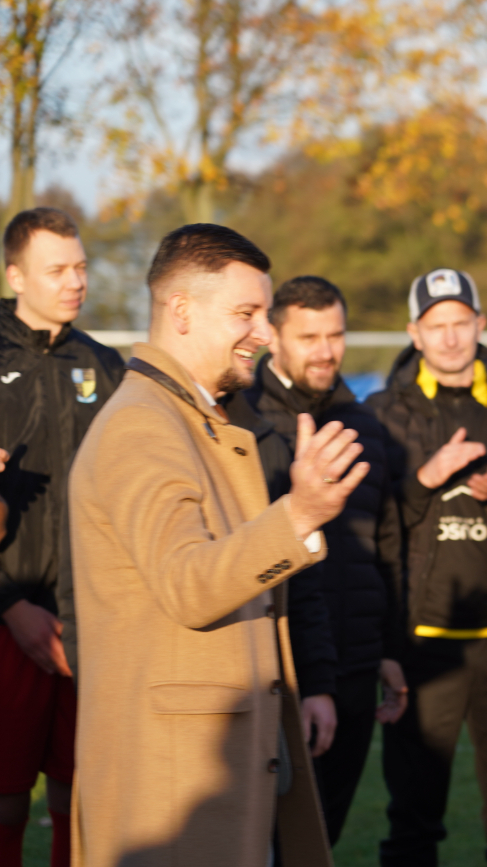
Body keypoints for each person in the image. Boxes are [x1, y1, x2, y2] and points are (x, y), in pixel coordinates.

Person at [68, 223, 364, 867]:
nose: (263, 332)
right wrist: (301, 514)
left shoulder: (194, 419)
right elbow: (189, 583)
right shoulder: (143, 426)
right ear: (181, 310)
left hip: (207, 771)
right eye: (246, 313)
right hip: (173, 788)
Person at [367, 268, 487, 867]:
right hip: (422, 648)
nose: (449, 339)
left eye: (460, 324)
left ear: (480, 325)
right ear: (415, 332)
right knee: (413, 823)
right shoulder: (381, 414)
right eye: (435, 326)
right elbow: (376, 527)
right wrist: (426, 480)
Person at [240, 275, 409, 845]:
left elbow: (385, 547)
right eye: (308, 336)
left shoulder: (366, 425)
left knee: (322, 837)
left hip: (357, 666)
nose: (326, 350)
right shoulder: (244, 424)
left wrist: (386, 650)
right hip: (278, 673)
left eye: (334, 334)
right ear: (275, 339)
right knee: (262, 838)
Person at [0, 208, 124, 867]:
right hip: (6, 617)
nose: (76, 281)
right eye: (58, 270)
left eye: (80, 266)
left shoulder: (104, 366)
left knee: (86, 792)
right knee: (5, 798)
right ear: (14, 274)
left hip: (89, 620)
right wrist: (10, 604)